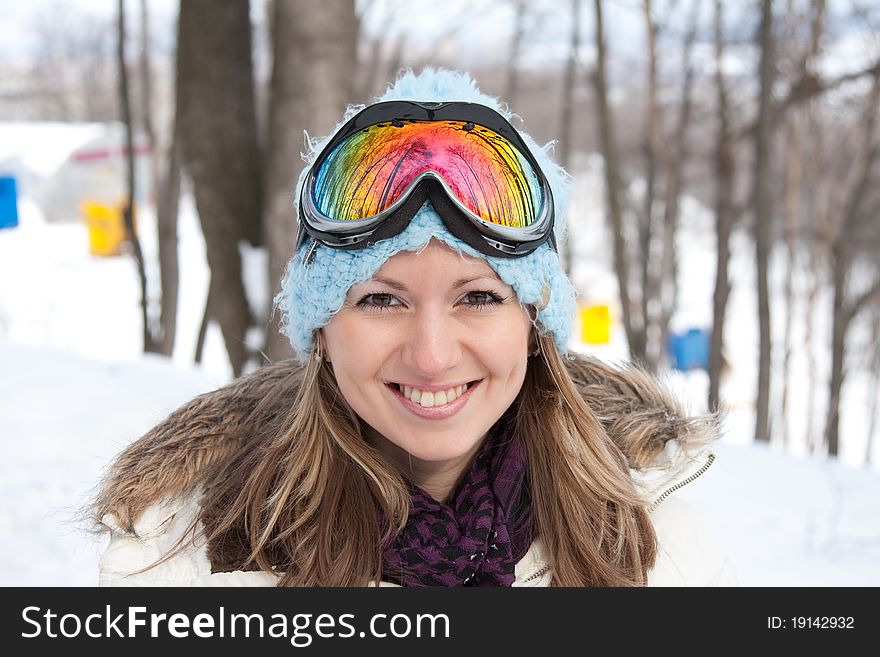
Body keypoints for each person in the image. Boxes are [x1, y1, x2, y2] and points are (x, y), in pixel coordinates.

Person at [91, 68, 736, 587]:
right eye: (380, 301)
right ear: (322, 329)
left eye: (478, 298)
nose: (431, 357)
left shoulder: (668, 560)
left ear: (533, 322)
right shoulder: (179, 571)